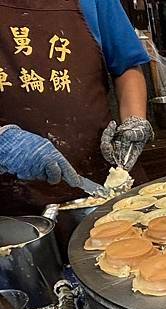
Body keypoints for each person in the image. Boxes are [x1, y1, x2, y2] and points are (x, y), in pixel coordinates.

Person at [0, 0, 153, 216]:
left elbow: (126, 66)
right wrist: (3, 143)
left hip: (105, 177)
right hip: (17, 209)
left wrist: (134, 120)